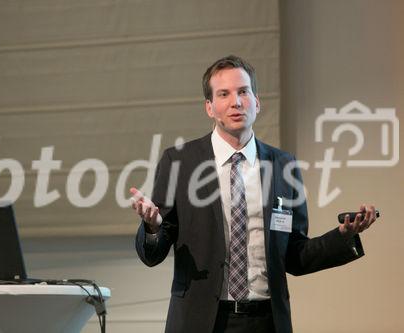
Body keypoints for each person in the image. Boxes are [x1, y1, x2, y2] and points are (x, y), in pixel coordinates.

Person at [131, 55, 377, 333]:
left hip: (266, 321)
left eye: (243, 92)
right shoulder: (180, 162)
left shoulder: (284, 166)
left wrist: (343, 236)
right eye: (224, 94)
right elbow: (152, 254)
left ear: (257, 103)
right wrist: (152, 227)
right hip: (200, 321)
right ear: (209, 107)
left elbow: (295, 255)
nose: (236, 102)